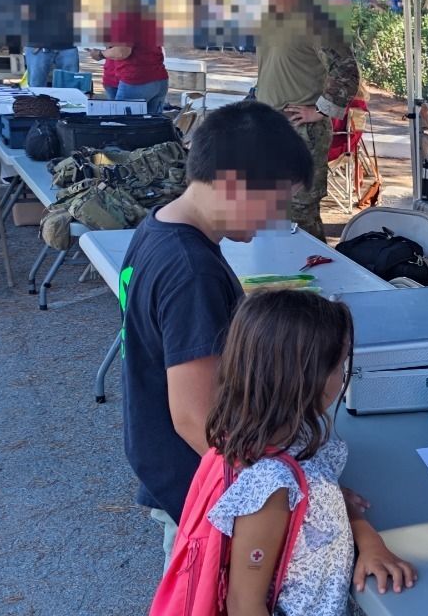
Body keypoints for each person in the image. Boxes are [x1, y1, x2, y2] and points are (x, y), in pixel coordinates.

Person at [143, 290, 415, 616]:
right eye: (339, 365)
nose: (344, 376)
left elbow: (325, 490)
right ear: (308, 379)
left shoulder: (291, 436)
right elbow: (244, 604)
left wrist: (368, 540)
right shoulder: (270, 487)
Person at [120, 101, 314, 556]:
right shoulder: (191, 271)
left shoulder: (159, 229)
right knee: (203, 614)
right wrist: (277, 489)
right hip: (204, 486)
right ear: (231, 183)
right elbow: (197, 418)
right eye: (276, 202)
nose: (275, 220)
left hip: (179, 471)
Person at [247, 0, 361, 239]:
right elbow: (273, 70)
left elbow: (346, 68)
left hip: (300, 132)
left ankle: (315, 279)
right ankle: (278, 278)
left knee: (300, 217)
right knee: (268, 213)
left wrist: (320, 110)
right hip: (267, 127)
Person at [95, 0, 168, 115]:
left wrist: (100, 54)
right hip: (158, 78)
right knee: (153, 129)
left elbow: (122, 52)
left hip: (136, 80)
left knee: (123, 129)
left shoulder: (125, 16)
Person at [20, 0, 79, 89]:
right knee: (36, 90)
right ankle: (37, 109)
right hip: (38, 47)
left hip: (67, 46)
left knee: (72, 89)